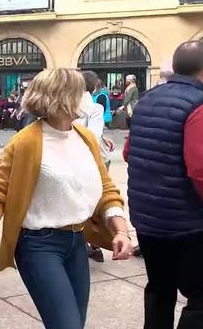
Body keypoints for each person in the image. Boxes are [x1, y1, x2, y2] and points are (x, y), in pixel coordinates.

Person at [0, 68, 133, 329]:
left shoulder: (85, 137)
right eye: (81, 93)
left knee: (76, 322)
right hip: (39, 246)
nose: (87, 98)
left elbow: (106, 188)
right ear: (62, 98)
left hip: (77, 242)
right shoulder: (25, 142)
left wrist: (121, 231)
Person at [125, 41, 203, 328]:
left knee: (160, 289)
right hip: (187, 224)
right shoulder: (202, 106)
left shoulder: (148, 99)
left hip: (147, 217)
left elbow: (128, 152)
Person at [77, 71, 115, 263]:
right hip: (93, 159)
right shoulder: (95, 108)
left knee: (78, 200)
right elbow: (92, 135)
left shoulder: (70, 105)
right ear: (94, 86)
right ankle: (95, 245)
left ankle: (85, 243)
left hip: (73, 157)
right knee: (95, 199)